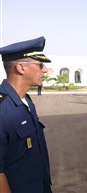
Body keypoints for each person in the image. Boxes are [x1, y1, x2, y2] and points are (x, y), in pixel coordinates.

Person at [0, 37, 53, 193]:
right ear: (21, 68)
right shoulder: (2, 109)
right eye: (40, 65)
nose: (45, 70)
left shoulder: (26, 101)